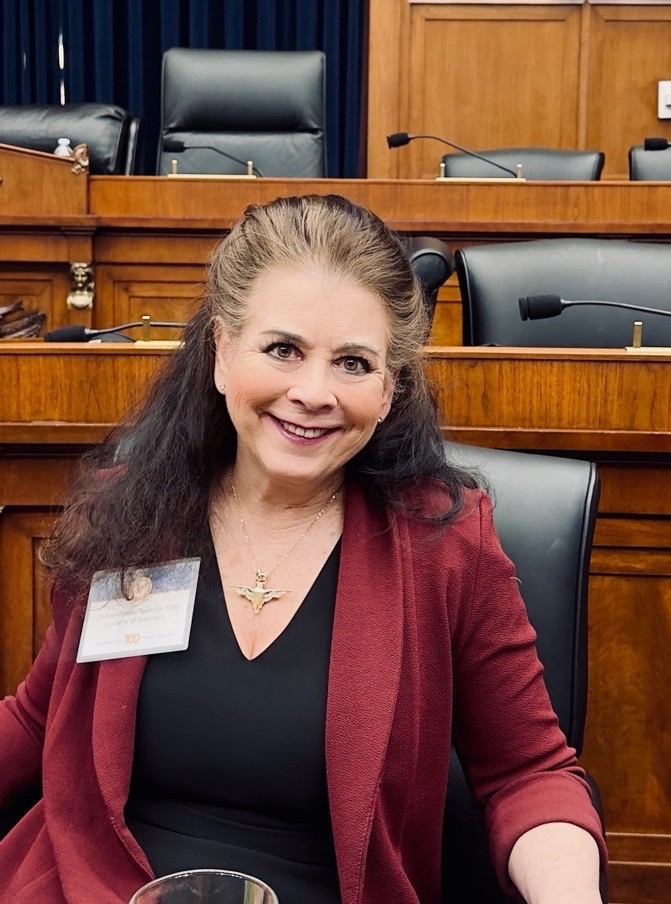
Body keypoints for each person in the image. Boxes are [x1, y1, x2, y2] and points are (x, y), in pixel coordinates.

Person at [0, 194, 606, 903]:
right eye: (282, 349)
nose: (312, 392)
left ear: (389, 390)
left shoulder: (444, 544)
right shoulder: (130, 510)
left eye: (352, 363)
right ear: (222, 353)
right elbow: (41, 717)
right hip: (92, 888)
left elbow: (527, 773)